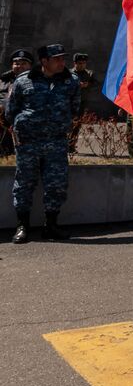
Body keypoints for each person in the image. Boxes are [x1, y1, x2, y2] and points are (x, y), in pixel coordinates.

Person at [7, 43, 81, 244]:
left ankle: (51, 225)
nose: (61, 62)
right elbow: (10, 110)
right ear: (44, 61)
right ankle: (22, 226)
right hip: (29, 143)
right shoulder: (24, 81)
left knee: (56, 184)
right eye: (56, 58)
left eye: (62, 58)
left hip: (56, 142)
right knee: (24, 184)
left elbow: (75, 108)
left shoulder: (70, 81)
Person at [0, 49, 35, 158]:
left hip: (25, 126)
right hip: (3, 126)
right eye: (16, 63)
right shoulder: (3, 81)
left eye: (24, 63)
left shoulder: (36, 81)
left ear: (30, 66)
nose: (19, 66)